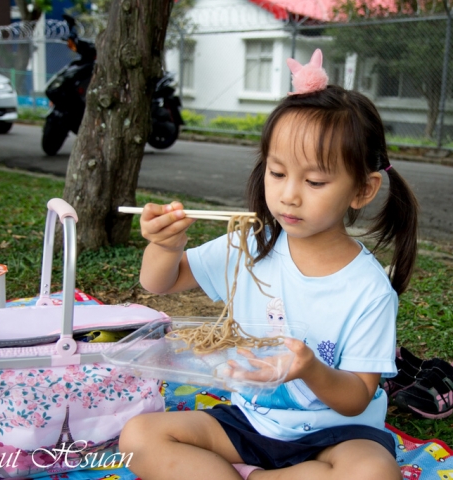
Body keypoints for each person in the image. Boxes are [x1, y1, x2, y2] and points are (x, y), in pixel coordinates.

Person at [118, 48, 419, 480]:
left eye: (315, 181)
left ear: (363, 190)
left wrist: (309, 368)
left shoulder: (368, 290)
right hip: (253, 423)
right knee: (139, 436)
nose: (289, 195)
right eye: (277, 173)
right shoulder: (251, 244)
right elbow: (160, 283)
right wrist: (165, 246)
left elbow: (355, 398)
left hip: (336, 438)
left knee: (373, 473)